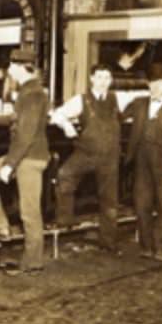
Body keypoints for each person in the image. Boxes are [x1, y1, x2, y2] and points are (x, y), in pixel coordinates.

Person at [0, 48, 50, 273]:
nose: (8, 70)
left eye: (10, 66)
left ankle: (33, 262)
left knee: (29, 212)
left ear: (19, 68)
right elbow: (18, 119)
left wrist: (10, 164)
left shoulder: (33, 94)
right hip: (23, 155)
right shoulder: (29, 91)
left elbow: (26, 133)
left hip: (30, 158)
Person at [49, 63, 136, 256]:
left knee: (109, 201)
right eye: (99, 77)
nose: (103, 82)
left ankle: (109, 242)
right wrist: (66, 125)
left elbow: (140, 98)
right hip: (85, 154)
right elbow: (56, 114)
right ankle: (65, 221)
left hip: (110, 157)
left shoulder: (117, 98)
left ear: (111, 80)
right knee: (64, 175)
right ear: (92, 79)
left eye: (107, 78)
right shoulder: (81, 100)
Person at [123, 62, 162, 262]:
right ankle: (146, 247)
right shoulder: (139, 104)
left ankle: (160, 248)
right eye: (152, 83)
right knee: (141, 206)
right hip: (141, 164)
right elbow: (119, 114)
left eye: (160, 83)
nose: (155, 87)